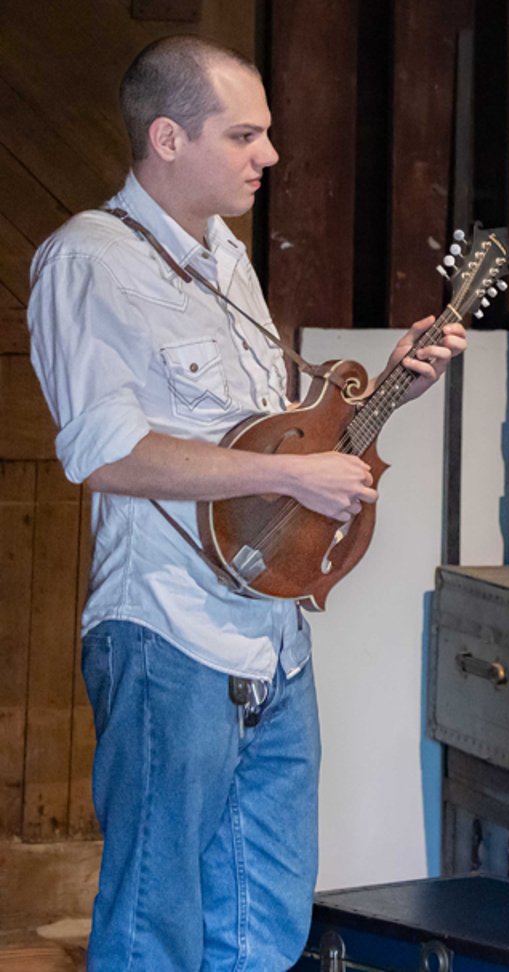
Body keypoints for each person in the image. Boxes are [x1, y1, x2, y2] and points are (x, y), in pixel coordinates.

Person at [26, 35, 464, 970]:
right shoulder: (89, 262)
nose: (269, 156)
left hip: (273, 640)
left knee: (264, 923)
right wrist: (287, 478)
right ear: (168, 137)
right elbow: (107, 455)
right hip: (165, 637)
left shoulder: (228, 259)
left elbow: (274, 433)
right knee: (156, 923)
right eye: (246, 135)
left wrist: (390, 386)